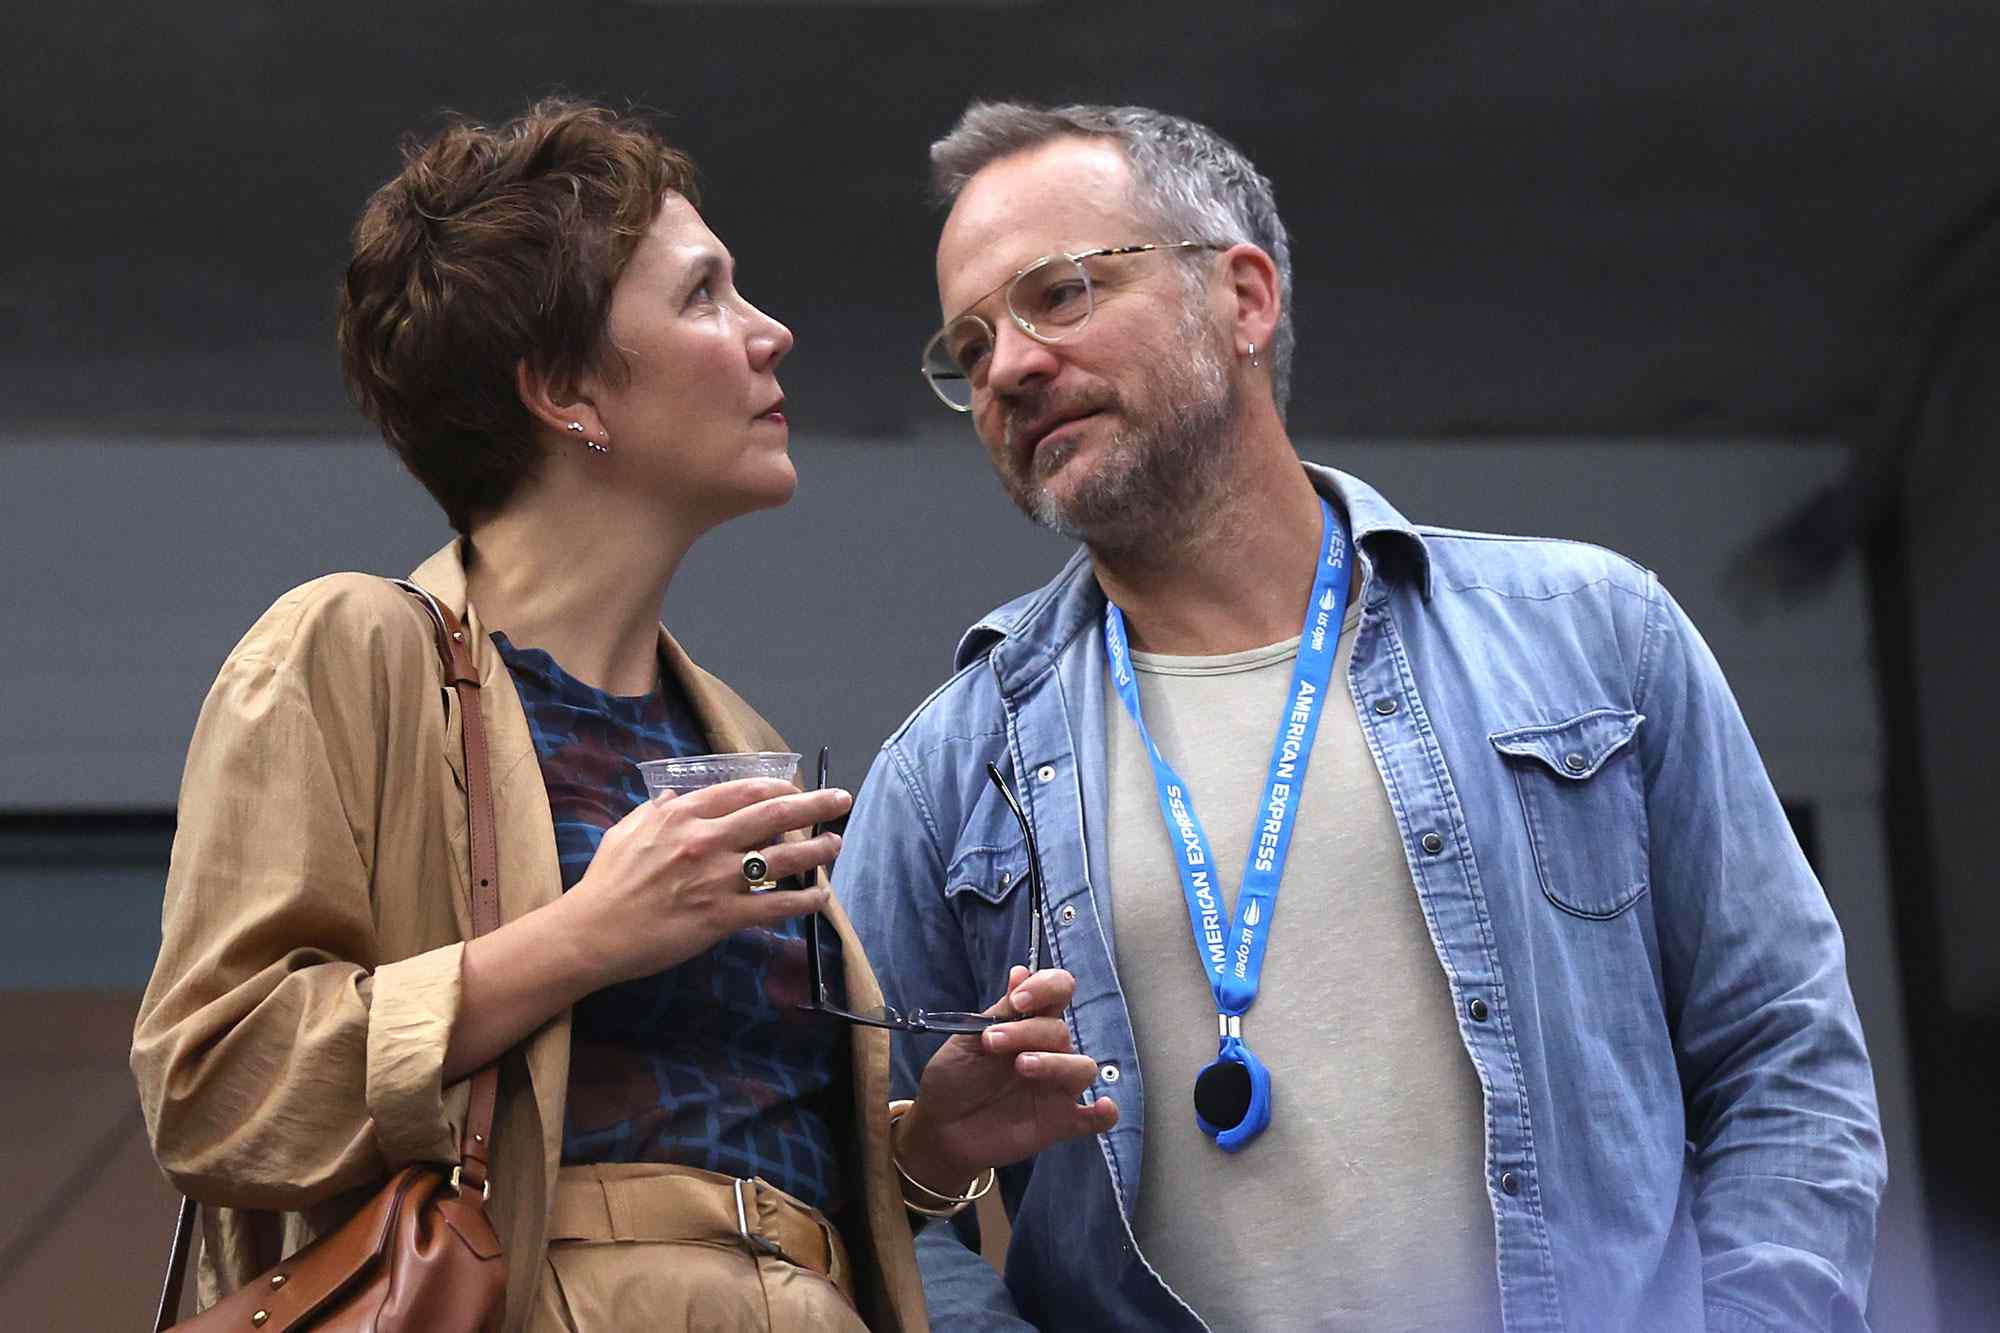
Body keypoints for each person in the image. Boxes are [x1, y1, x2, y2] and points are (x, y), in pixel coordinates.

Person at [836, 101, 1887, 1332]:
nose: (1009, 365)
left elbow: (1781, 1062)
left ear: (1241, 297)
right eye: (968, 346)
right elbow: (852, 1191)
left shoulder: (1592, 634)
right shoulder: (950, 771)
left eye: (1059, 293)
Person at [130, 98, 1108, 1333]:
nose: (770, 333)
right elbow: (217, 1088)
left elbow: (735, 1158)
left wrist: (928, 1145)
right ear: (563, 388)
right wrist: (586, 935)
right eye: (705, 295)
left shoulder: (720, 729)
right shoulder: (350, 650)